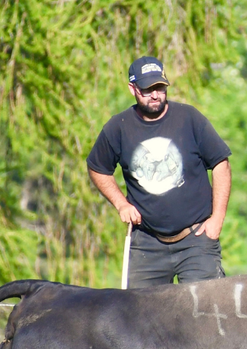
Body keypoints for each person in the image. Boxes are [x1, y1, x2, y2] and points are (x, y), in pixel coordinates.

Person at [87, 56, 232, 285]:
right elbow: (97, 167)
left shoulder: (189, 118)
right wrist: (121, 203)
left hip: (196, 239)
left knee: (205, 313)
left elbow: (220, 163)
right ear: (132, 89)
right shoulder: (118, 127)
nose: (155, 95)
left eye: (160, 88)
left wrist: (217, 218)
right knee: (140, 317)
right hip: (147, 243)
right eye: (147, 89)